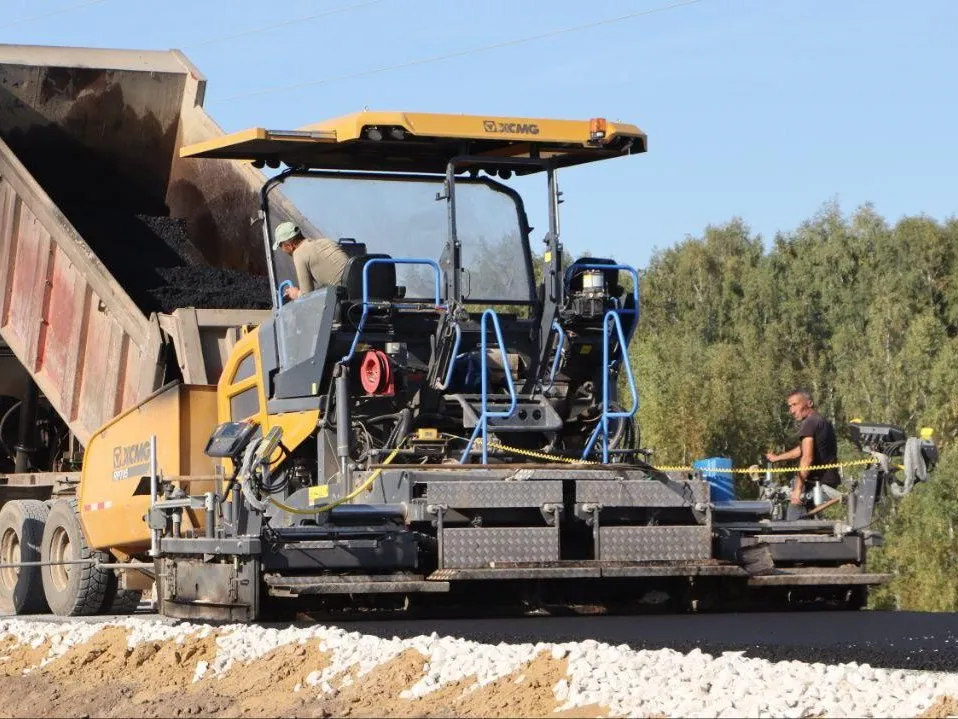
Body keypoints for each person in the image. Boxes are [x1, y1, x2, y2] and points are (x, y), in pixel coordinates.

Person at [765, 389, 840, 520]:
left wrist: (798, 489)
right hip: (828, 480)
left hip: (818, 484)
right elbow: (802, 450)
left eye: (795, 405)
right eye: (790, 406)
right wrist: (777, 458)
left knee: (793, 522)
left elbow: (807, 458)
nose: (792, 411)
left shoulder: (809, 423)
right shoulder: (821, 421)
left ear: (809, 403)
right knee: (809, 521)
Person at [272, 222, 350, 301]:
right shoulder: (326, 242)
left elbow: (306, 295)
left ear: (289, 246)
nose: (282, 250)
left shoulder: (299, 253)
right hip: (358, 290)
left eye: (281, 246)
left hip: (343, 297)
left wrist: (295, 293)